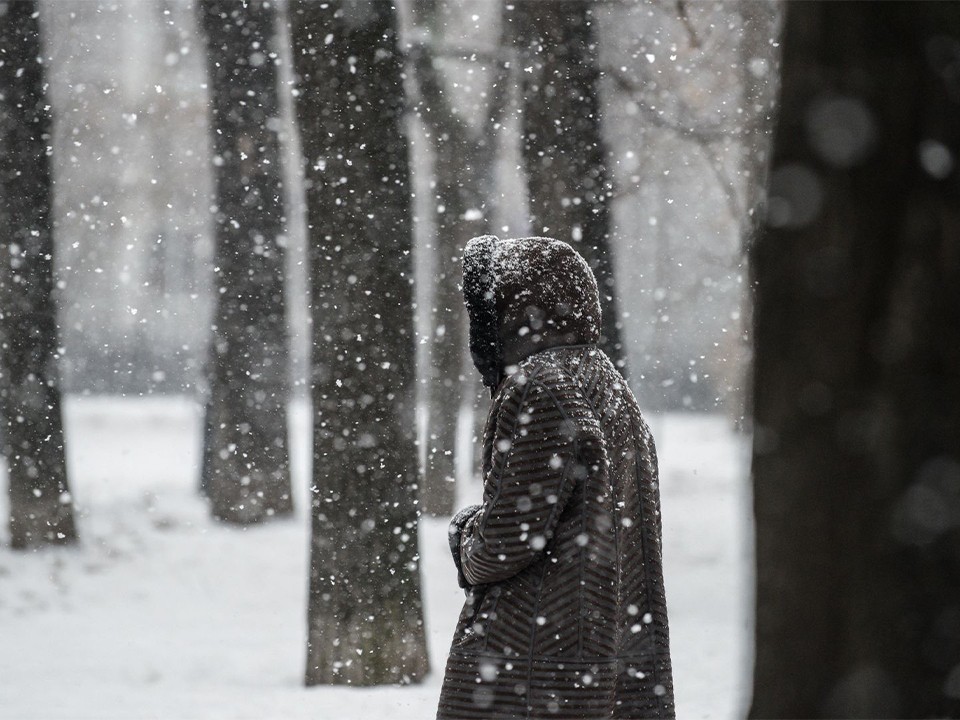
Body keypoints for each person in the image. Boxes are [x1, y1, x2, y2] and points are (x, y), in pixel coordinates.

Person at [436, 236, 675, 719]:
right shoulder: (608, 383)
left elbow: (510, 535)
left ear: (514, 312)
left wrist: (467, 542)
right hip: (601, 657)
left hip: (531, 663)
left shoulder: (540, 386)